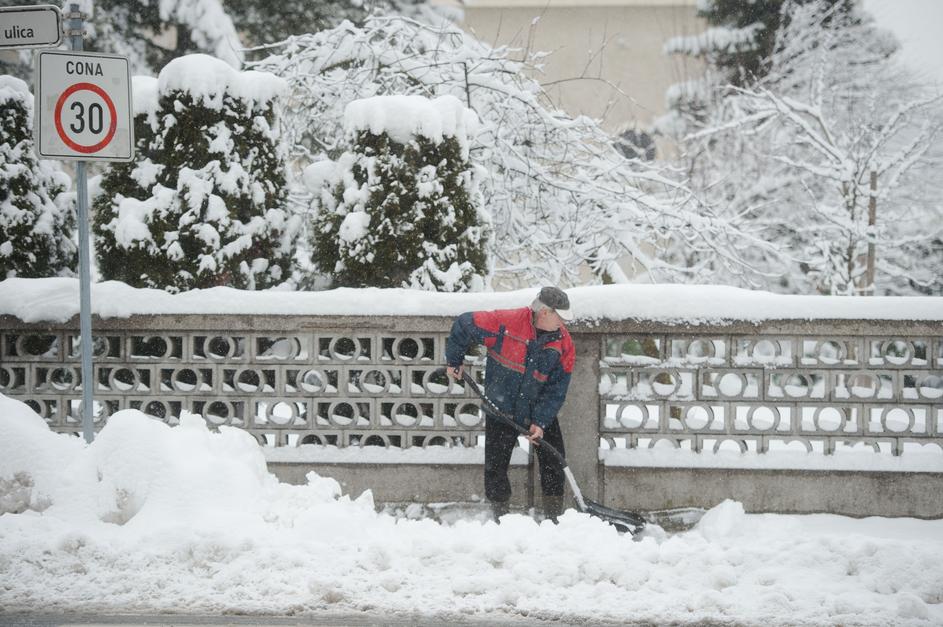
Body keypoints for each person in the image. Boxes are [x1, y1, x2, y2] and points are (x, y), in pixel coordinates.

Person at [444, 286, 576, 522]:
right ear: (544, 312)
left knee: (554, 463)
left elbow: (557, 388)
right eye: (560, 317)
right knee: (495, 467)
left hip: (536, 411)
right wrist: (455, 360)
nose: (563, 324)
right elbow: (465, 324)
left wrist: (541, 421)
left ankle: (555, 519)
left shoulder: (563, 343)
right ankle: (500, 517)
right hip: (500, 409)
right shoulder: (506, 322)